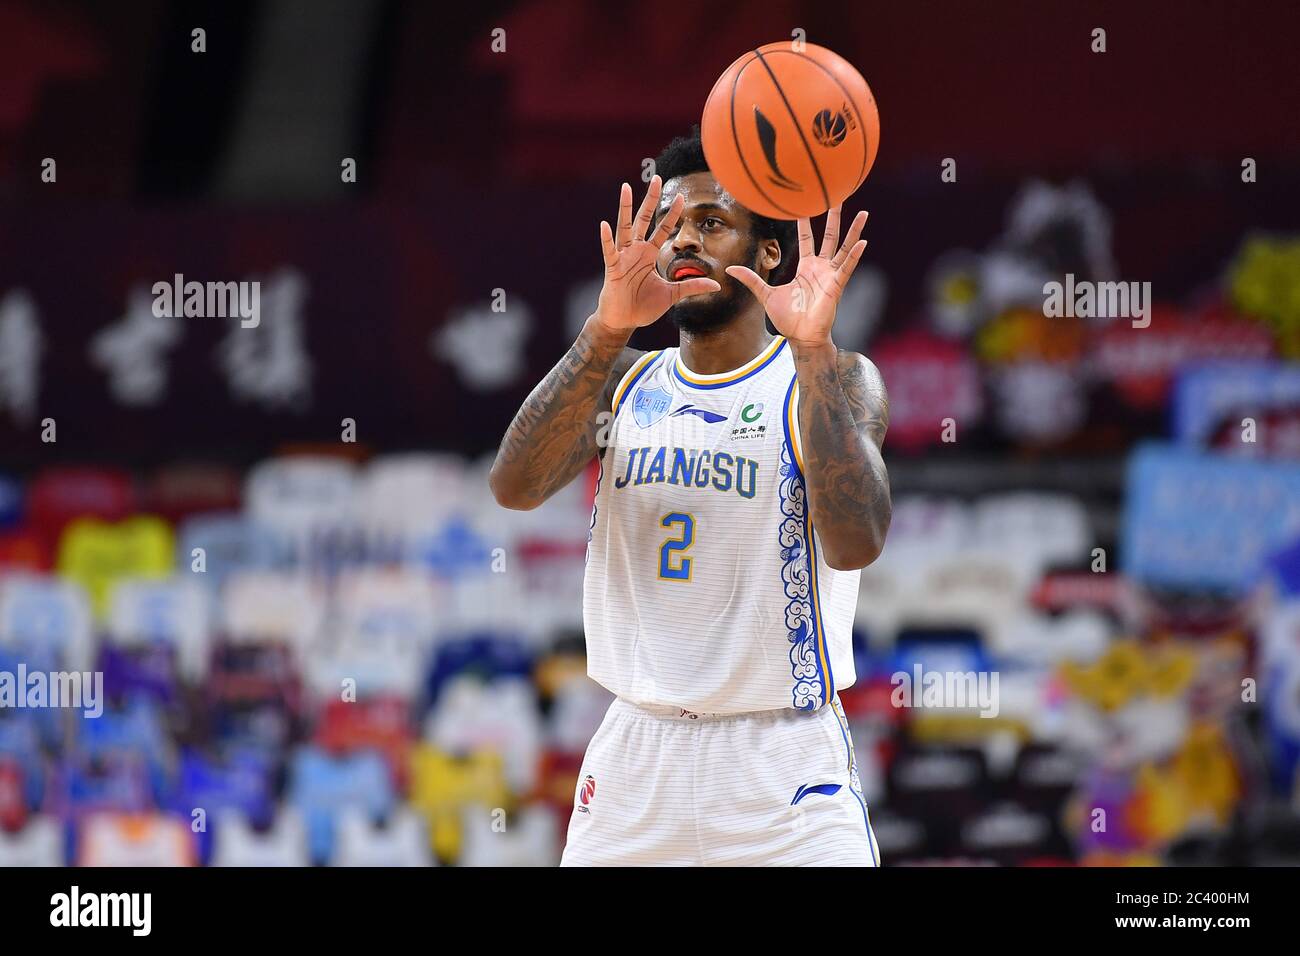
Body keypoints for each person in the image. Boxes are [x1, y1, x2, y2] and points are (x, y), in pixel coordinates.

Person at [490, 128, 891, 866]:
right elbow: (513, 487)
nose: (685, 241)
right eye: (671, 225)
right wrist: (607, 331)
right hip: (637, 756)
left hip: (781, 768)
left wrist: (810, 352)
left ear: (769, 252)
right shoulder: (622, 380)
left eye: (712, 223)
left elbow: (857, 541)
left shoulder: (832, 381)